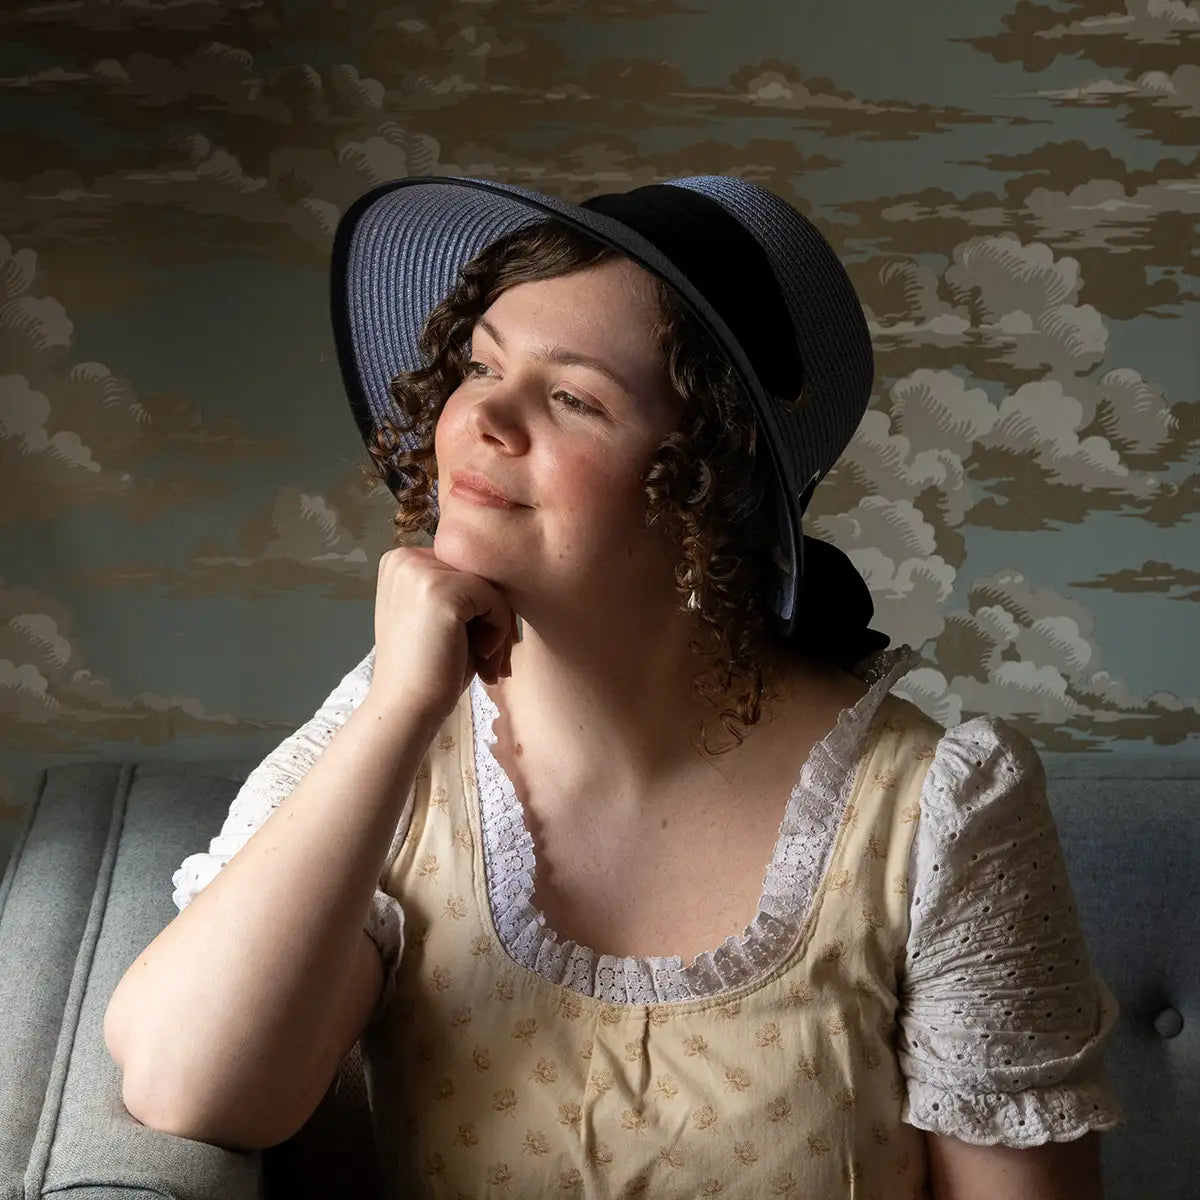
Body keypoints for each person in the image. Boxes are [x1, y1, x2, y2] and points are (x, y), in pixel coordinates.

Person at [105, 176, 1126, 1198]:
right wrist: (398, 713)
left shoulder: (940, 814)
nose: (482, 419)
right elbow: (192, 1090)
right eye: (480, 365)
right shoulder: (391, 745)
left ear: (706, 489)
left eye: (571, 397)